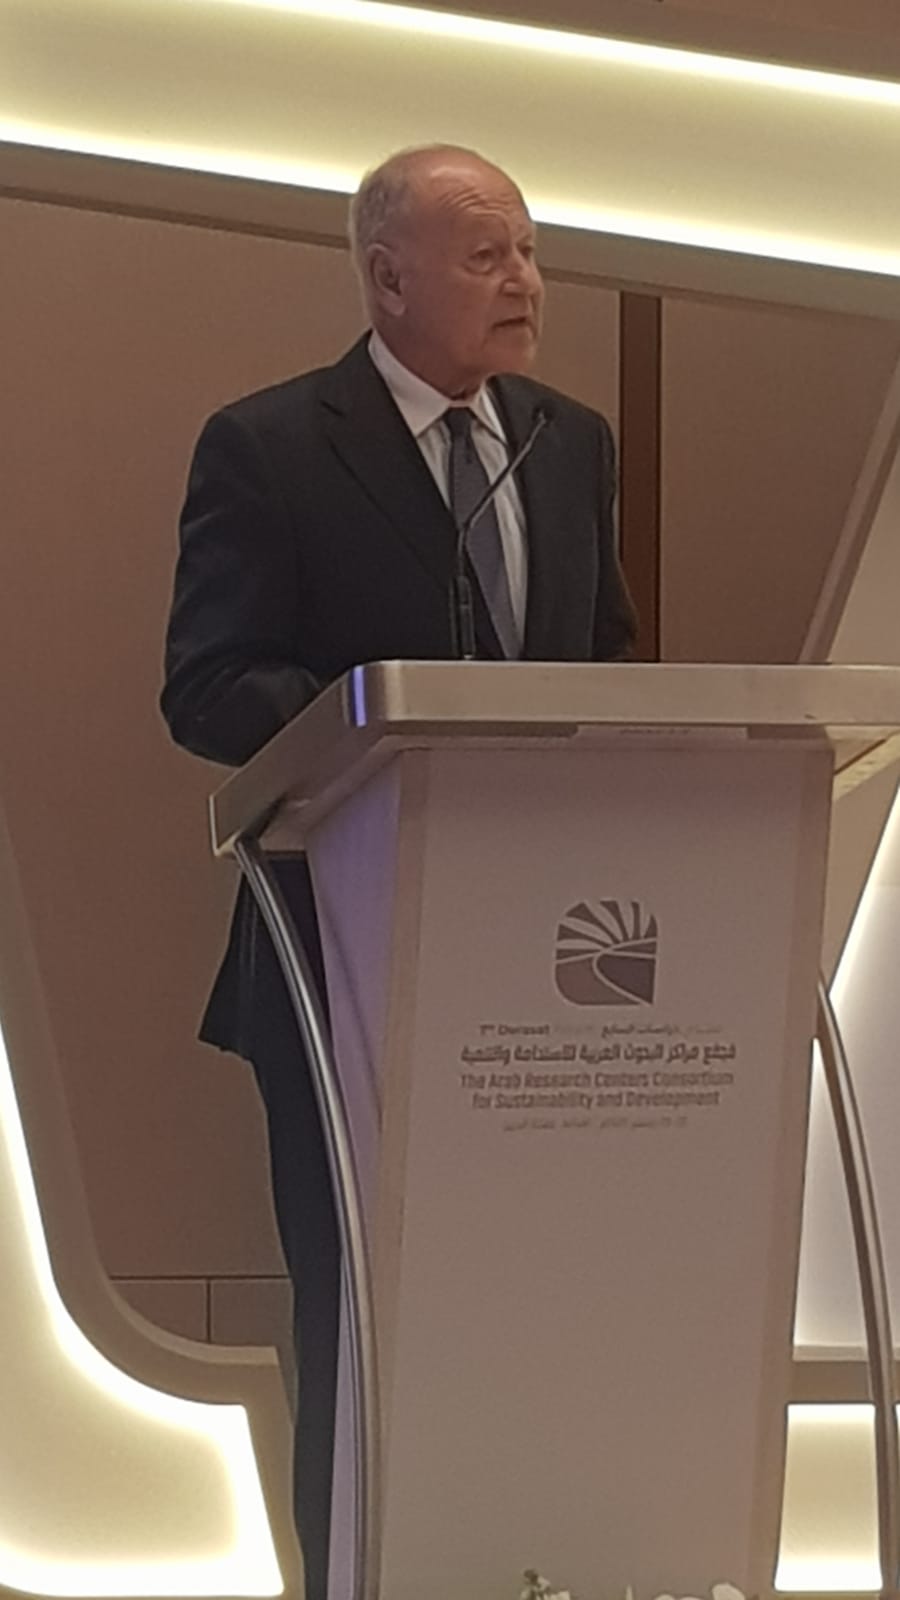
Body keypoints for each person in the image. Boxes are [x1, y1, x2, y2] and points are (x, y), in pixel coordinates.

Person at [161, 143, 635, 1599]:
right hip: (342, 960)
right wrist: (379, 724)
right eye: (487, 255)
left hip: (544, 975)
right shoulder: (271, 446)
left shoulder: (569, 444)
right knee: (360, 1326)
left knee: (531, 1317)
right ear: (387, 278)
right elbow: (207, 683)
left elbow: (606, 660)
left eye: (531, 251)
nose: (525, 280)